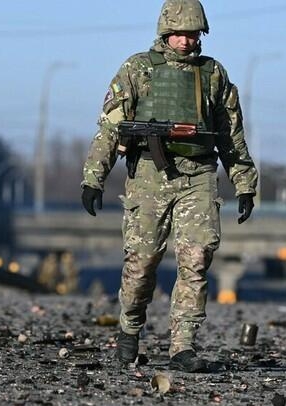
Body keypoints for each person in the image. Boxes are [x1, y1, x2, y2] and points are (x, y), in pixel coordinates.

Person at [81, 0, 258, 372]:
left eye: (192, 34)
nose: (185, 41)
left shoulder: (213, 75)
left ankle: (183, 345)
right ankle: (130, 326)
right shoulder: (138, 69)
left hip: (198, 175)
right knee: (142, 262)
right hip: (148, 175)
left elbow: (230, 135)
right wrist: (94, 177)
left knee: (196, 258)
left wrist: (243, 183)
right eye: (179, 33)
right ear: (165, 32)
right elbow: (111, 128)